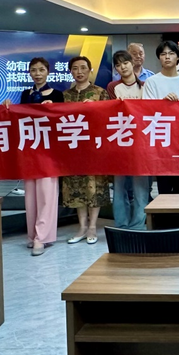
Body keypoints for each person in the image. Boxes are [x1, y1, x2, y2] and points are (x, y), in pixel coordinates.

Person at [12, 58, 63, 255]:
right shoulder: (26, 94)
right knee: (31, 195)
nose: (37, 74)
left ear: (48, 72)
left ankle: (42, 237)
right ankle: (32, 234)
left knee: (46, 194)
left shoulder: (57, 95)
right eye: (33, 70)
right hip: (29, 149)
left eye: (41, 70)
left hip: (49, 150)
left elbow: (63, 121)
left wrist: (53, 109)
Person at [62, 56, 112, 245]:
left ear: (90, 70)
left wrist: (95, 109)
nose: (79, 71)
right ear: (71, 72)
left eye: (83, 67)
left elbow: (108, 119)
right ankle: (82, 227)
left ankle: (92, 227)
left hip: (94, 148)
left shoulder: (100, 92)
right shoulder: (65, 95)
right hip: (72, 149)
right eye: (75, 68)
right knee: (76, 187)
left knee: (94, 186)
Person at [106, 50, 151, 230]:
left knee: (141, 188)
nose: (122, 67)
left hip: (141, 144)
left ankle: (138, 224)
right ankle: (121, 224)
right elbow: (112, 111)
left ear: (132, 63)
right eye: (118, 65)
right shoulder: (113, 87)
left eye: (125, 63)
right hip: (120, 142)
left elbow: (150, 112)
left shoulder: (145, 86)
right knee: (119, 187)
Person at [144, 41, 179, 194]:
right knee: (164, 187)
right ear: (159, 58)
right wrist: (163, 104)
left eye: (171, 53)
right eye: (163, 54)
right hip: (162, 139)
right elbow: (147, 110)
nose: (167, 57)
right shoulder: (151, 81)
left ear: (178, 57)